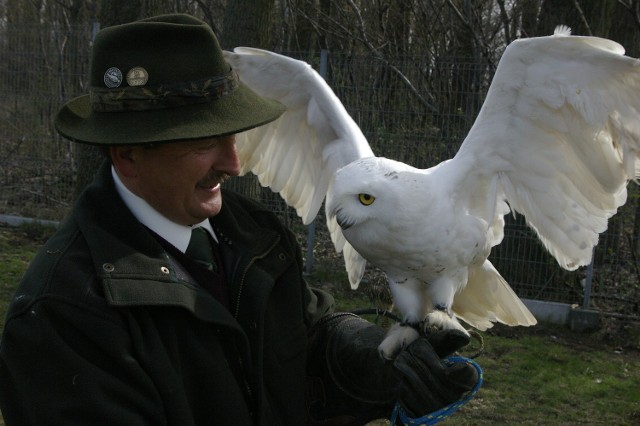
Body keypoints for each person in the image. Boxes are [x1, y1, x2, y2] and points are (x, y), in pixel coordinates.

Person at [0, 14, 478, 425]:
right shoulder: (62, 317)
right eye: (205, 142)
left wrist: (371, 361)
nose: (234, 163)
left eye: (233, 135)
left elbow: (299, 347)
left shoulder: (254, 235)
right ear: (127, 155)